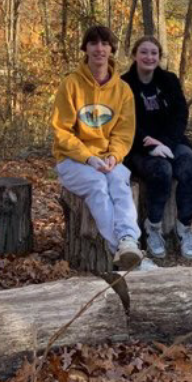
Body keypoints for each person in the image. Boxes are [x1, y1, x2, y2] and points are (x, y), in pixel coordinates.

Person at [52, 25, 144, 270]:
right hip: (72, 159)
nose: (99, 49)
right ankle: (123, 251)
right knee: (97, 185)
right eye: (93, 43)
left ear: (112, 49)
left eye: (104, 44)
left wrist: (115, 156)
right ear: (85, 48)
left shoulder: (123, 90)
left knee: (119, 183)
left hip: (107, 158)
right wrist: (87, 158)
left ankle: (128, 241)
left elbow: (124, 132)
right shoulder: (71, 84)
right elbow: (62, 131)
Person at [122, 36, 192, 260]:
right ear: (135, 55)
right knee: (161, 171)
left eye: (154, 53)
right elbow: (124, 121)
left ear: (159, 57)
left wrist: (166, 142)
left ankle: (185, 228)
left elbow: (180, 115)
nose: (149, 57)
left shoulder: (169, 80)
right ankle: (153, 227)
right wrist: (148, 144)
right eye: (144, 52)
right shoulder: (123, 84)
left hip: (171, 141)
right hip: (139, 147)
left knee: (190, 167)